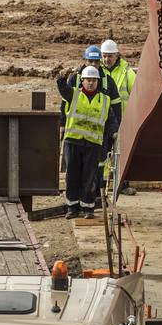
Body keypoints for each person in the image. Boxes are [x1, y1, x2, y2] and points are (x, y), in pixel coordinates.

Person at [55, 66, 120, 219]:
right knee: (72, 176)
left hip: (93, 144)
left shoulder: (104, 100)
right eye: (88, 80)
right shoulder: (74, 95)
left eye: (94, 80)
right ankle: (72, 207)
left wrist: (115, 133)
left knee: (89, 177)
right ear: (82, 81)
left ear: (98, 82)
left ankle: (88, 208)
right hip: (73, 142)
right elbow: (62, 87)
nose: (91, 83)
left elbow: (111, 120)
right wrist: (62, 76)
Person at [99, 39, 137, 196]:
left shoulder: (127, 73)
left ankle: (123, 184)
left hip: (122, 121)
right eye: (105, 56)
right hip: (102, 121)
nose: (107, 59)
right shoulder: (97, 72)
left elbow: (136, 95)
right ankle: (102, 184)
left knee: (121, 154)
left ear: (117, 55)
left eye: (110, 56)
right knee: (103, 154)